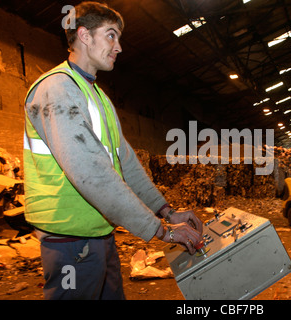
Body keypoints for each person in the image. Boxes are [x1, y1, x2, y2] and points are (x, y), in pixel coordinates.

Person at [23, 1, 203, 300]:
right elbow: (91, 173)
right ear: (84, 35)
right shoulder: (57, 90)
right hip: (70, 238)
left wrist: (167, 211)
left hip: (98, 233)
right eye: (111, 35)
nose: (118, 47)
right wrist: (161, 232)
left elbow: (126, 163)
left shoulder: (97, 95)